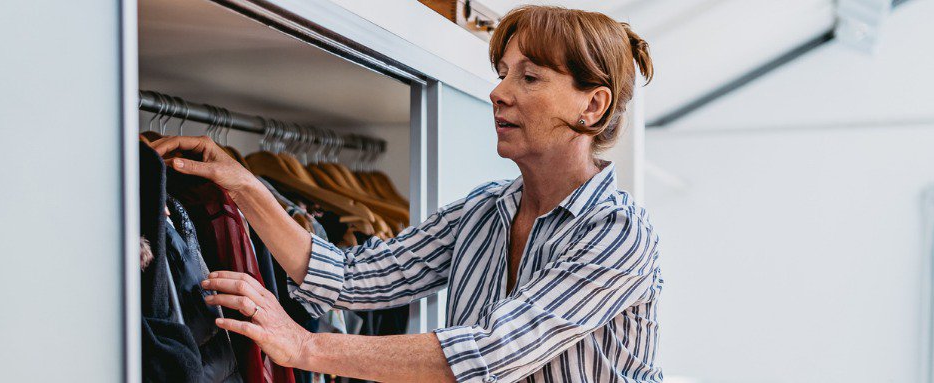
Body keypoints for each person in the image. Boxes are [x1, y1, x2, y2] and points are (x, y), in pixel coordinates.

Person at [150, 5, 659, 382]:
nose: (498, 92)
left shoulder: (618, 231)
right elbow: (349, 276)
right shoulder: (483, 213)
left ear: (592, 106)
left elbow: (491, 350)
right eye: (503, 73)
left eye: (529, 77)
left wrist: (305, 345)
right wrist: (242, 183)